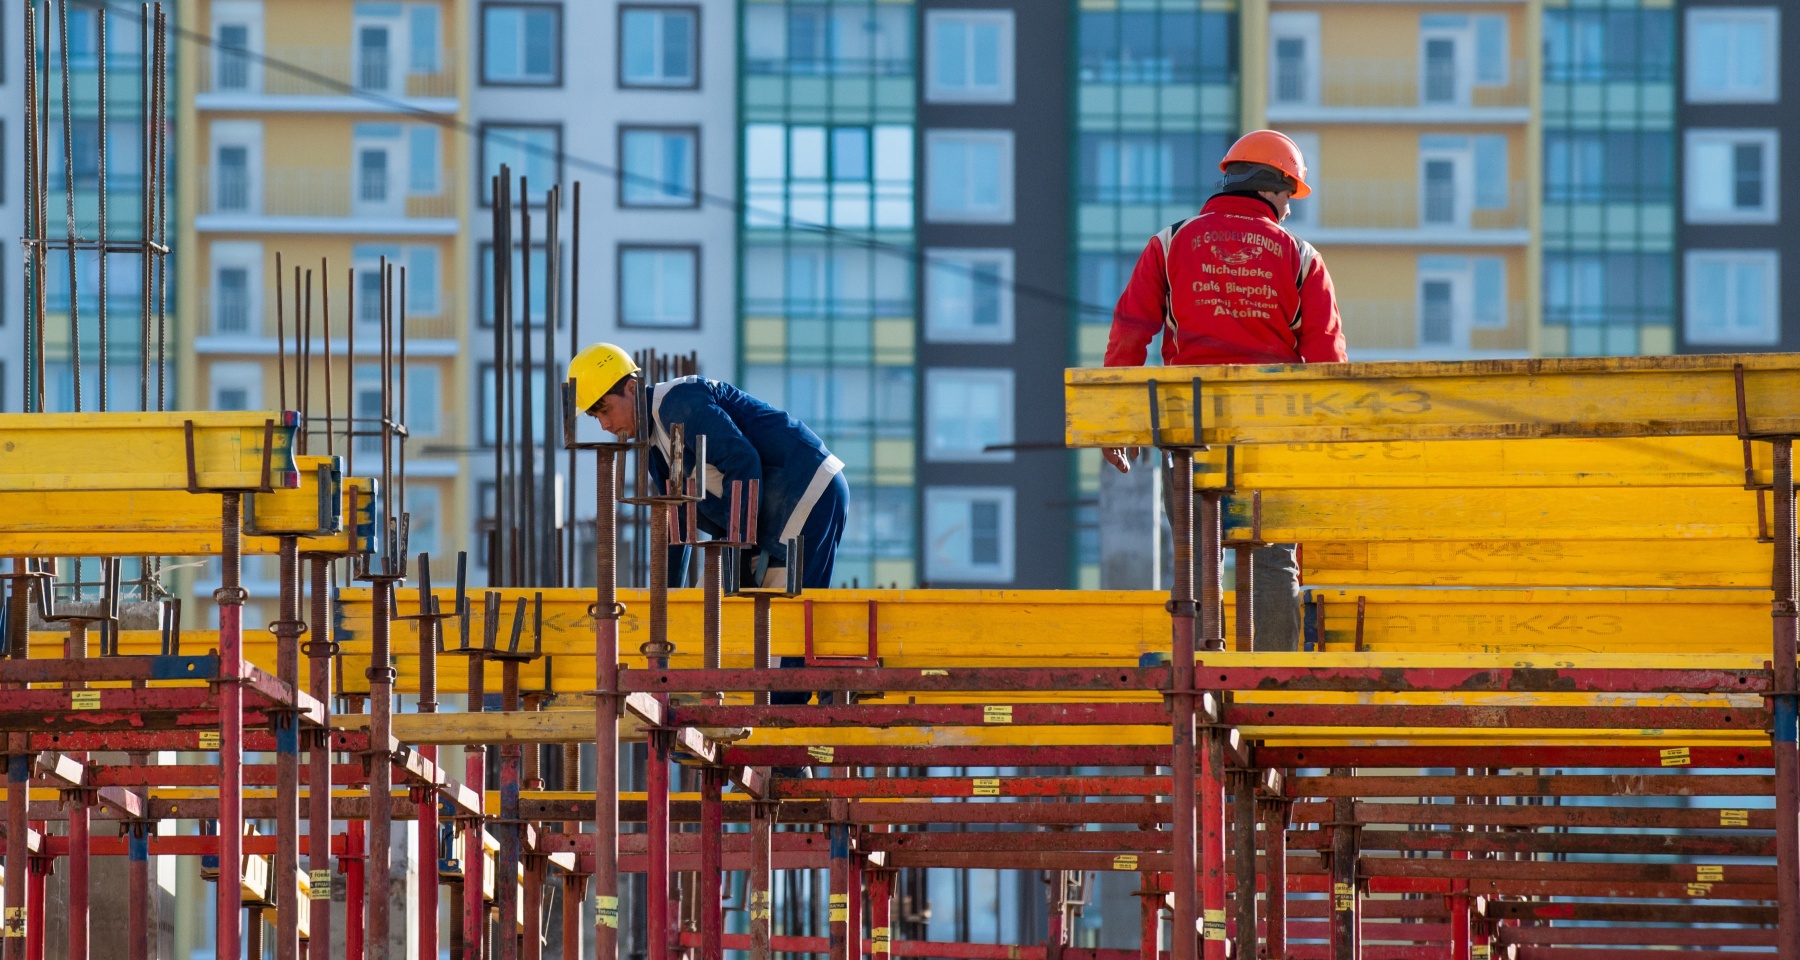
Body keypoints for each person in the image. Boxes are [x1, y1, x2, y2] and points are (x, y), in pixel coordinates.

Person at [1100, 129, 1348, 652]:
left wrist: (1113, 421)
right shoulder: (1300, 257)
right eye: (1288, 196)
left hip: (1190, 430)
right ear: (1272, 186)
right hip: (1269, 431)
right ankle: (1273, 682)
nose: (1288, 209)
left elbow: (1130, 331)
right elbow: (1327, 360)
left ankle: (1201, 664)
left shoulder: (1169, 244)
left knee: (1194, 552)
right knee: (1274, 555)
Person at [568, 342, 849, 593]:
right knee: (711, 622)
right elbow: (678, 518)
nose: (605, 425)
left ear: (631, 387)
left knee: (793, 629)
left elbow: (742, 461)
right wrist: (668, 596)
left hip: (810, 489)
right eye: (596, 418)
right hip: (765, 517)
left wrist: (736, 556)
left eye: (605, 410)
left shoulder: (677, 405)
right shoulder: (655, 448)